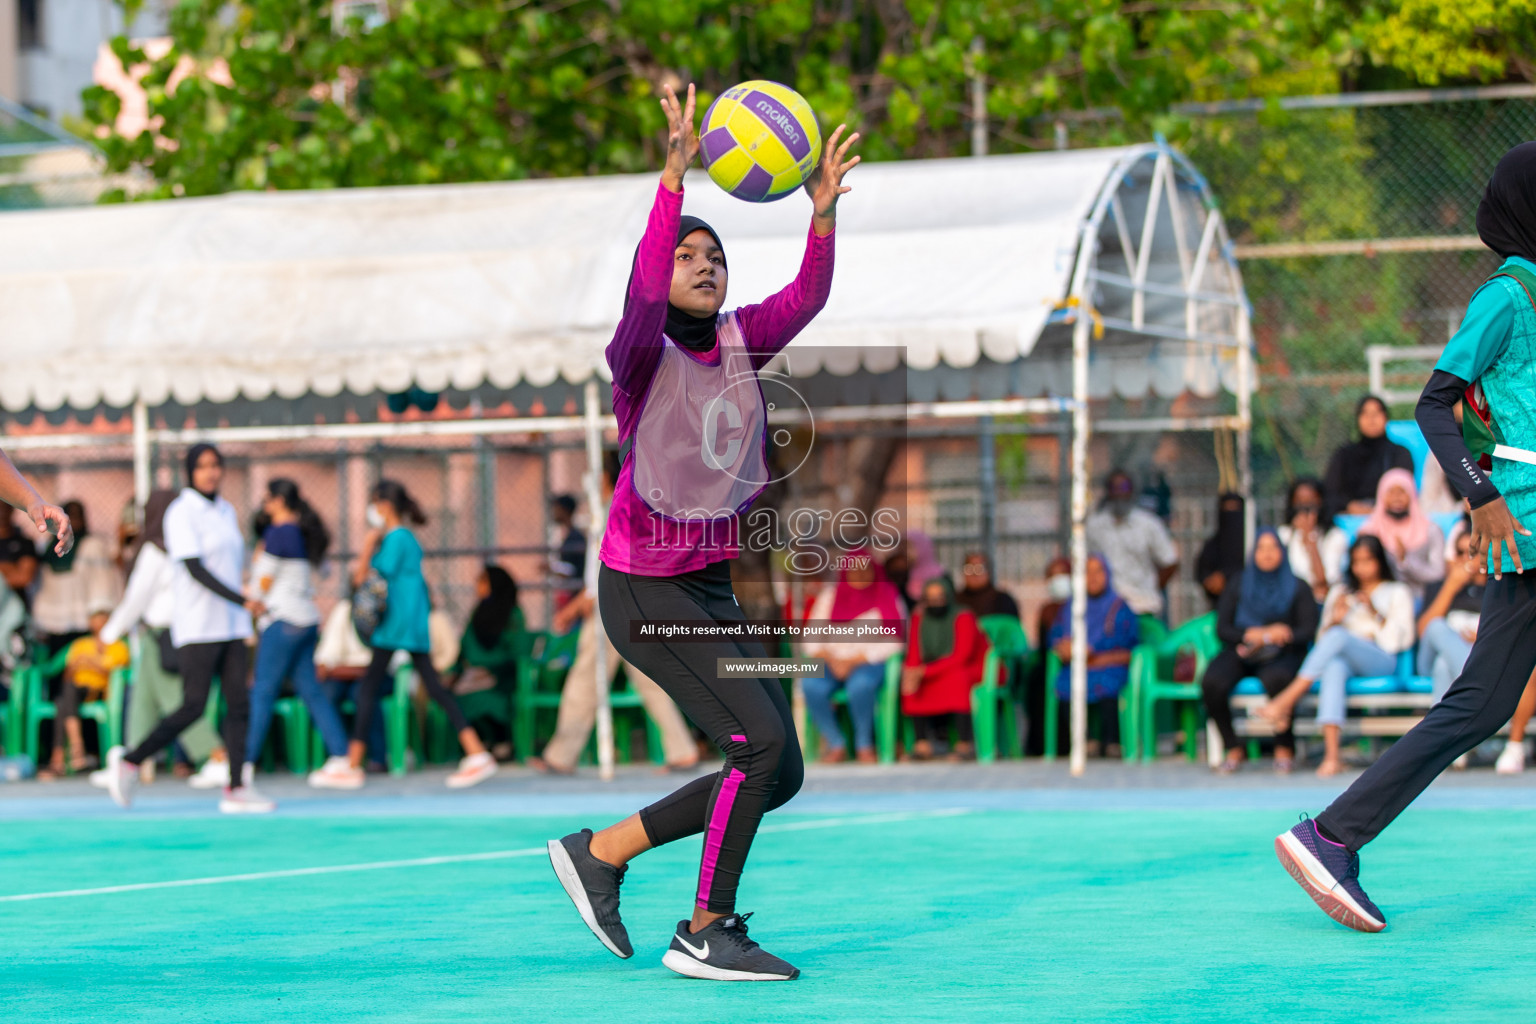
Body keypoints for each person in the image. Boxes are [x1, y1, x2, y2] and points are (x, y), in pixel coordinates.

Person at [545, 83, 856, 983]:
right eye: (688, 253)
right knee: (754, 748)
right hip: (643, 587)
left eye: (714, 253)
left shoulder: (738, 339)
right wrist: (673, 181)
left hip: (707, 585)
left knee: (780, 766)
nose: (703, 261)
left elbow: (807, 296)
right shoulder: (641, 354)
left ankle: (601, 853)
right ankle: (705, 929)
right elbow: (646, 287)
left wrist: (823, 216)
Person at [1274, 145, 1536, 932]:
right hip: (1526, 520)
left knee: (1482, 704)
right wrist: (1481, 493)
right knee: (1479, 704)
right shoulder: (1508, 296)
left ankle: (1333, 835)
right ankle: (1332, 834)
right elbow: (1434, 405)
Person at [103, 444, 271, 814]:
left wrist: (245, 603)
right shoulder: (181, 513)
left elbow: (229, 567)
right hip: (198, 626)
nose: (211, 473)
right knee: (194, 706)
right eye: (203, 466)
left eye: (216, 466)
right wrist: (242, 599)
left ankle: (237, 788)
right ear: (190, 472)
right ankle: (131, 759)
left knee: (239, 705)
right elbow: (194, 568)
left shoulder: (225, 510)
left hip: (231, 624)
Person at [331, 479, 498, 790]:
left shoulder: (396, 539)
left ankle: (353, 763)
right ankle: (476, 752)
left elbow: (362, 577)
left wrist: (368, 545)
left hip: (397, 626)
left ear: (383, 505)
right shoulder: (405, 539)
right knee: (433, 688)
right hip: (409, 625)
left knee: (369, 689)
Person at [95, 489, 225, 787]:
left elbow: (136, 599)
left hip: (165, 634)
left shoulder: (155, 552)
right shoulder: (188, 546)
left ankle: (218, 757)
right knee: (143, 700)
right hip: (174, 634)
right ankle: (132, 762)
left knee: (176, 701)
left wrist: (109, 633)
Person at [1259, 535, 1413, 779]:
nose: (1362, 567)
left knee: (1340, 639)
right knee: (1334, 665)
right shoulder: (1341, 592)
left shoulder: (1397, 592)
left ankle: (1287, 699)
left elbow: (1399, 642)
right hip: (1344, 656)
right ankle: (1332, 756)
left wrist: (1374, 612)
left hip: (1380, 659)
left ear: (1380, 561)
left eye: (1368, 560)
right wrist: (1334, 619)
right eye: (1357, 561)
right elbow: (1323, 643)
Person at [237, 479, 356, 788]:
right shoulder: (302, 533)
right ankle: (342, 758)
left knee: (262, 690)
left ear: (278, 500)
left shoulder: (279, 533)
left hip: (283, 621)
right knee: (311, 691)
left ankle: (244, 764)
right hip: (305, 621)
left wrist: (250, 589)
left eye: (267, 499)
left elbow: (261, 583)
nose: (264, 505)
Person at [1200, 529, 1319, 774]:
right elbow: (1222, 629)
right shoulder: (1239, 584)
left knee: (1279, 679)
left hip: (1282, 653)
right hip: (1243, 650)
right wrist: (1249, 635)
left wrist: (1283, 633)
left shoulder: (1297, 586)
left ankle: (1284, 748)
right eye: (1261, 548)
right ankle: (1233, 747)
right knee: (1212, 681)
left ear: (1282, 552)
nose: (1266, 554)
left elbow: (1308, 630)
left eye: (1272, 547)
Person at [800, 548, 906, 763]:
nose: (859, 575)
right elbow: (811, 635)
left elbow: (896, 639)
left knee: (860, 687)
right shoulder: (830, 596)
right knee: (811, 685)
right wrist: (830, 658)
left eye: (864, 570)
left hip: (868, 661)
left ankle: (864, 744)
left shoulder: (886, 595)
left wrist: (856, 659)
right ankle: (835, 743)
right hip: (830, 660)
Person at [1047, 554, 1140, 757]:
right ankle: (1084, 741)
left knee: (1108, 682)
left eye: (1098, 571)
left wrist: (1092, 654)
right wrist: (1063, 646)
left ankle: (1112, 741)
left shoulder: (1119, 606)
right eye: (1087, 572)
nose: (1093, 577)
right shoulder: (1072, 606)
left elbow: (1129, 645)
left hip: (1109, 664)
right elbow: (1056, 636)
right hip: (1077, 665)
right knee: (1065, 683)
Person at [901, 575, 989, 760]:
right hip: (936, 668)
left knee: (957, 678)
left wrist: (925, 672)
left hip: (974, 667)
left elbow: (962, 657)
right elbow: (914, 653)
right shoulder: (919, 616)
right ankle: (922, 744)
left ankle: (965, 744)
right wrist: (913, 672)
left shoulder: (963, 615)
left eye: (940, 597)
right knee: (911, 679)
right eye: (931, 599)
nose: (936, 602)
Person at [39, 604, 128, 778]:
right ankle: (75, 749)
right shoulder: (80, 644)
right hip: (76, 690)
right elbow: (66, 673)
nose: (100, 625)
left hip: (100, 691)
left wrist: (90, 663)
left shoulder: (118, 645)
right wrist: (79, 665)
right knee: (65, 695)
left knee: (63, 700)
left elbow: (115, 671)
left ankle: (59, 758)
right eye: (96, 622)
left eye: (103, 621)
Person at [1086, 469, 1178, 620]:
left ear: (1132, 492)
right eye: (1114, 489)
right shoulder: (1095, 526)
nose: (1119, 494)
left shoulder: (1148, 524)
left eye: (1124, 489)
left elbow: (1170, 561)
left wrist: (1152, 586)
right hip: (1106, 610)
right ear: (1107, 492)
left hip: (1142, 606)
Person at [31, 499, 119, 656]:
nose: (72, 521)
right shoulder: (48, 547)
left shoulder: (93, 545)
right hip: (50, 627)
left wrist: (100, 620)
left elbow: (101, 585)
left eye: (77, 516)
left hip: (82, 624)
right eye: (68, 516)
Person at [1416, 519, 1485, 703]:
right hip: (1429, 660)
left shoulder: (1498, 591)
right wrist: (1450, 587)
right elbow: (1424, 632)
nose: (1465, 558)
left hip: (1475, 656)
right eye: (1460, 552)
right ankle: (1473, 684)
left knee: (1443, 665)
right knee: (1436, 626)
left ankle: (1440, 729)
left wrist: (1480, 638)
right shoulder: (1438, 587)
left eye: (1473, 552)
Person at [1321, 395, 1415, 520]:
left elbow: (1404, 489)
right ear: (1358, 419)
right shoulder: (1344, 455)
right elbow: (1331, 491)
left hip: (1390, 518)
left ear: (1386, 417)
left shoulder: (1400, 453)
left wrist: (1379, 508)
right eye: (1366, 414)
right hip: (1349, 518)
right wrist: (1350, 506)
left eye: (1376, 413)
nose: (1371, 419)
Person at [1357, 467, 1445, 600]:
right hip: (1377, 599)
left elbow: (1438, 574)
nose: (1396, 498)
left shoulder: (1430, 530)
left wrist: (1406, 561)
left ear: (1412, 494)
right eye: (1390, 492)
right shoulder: (1368, 532)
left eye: (1402, 492)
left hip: (1420, 597)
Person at [1275, 478, 1336, 603]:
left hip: (1323, 601)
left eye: (1310, 501)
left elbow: (1323, 580)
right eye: (1299, 502)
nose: (1305, 507)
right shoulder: (1284, 535)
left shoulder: (1334, 536)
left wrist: (1309, 539)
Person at [1195, 492, 1246, 604]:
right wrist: (1211, 581)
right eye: (1227, 510)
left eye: (1235, 509)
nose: (1231, 516)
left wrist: (1226, 578)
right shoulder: (1212, 545)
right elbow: (1202, 572)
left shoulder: (1250, 543)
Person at [956, 551, 1020, 620]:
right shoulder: (956, 601)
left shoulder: (1002, 601)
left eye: (979, 569)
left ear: (988, 572)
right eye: (969, 569)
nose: (974, 574)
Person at [0, 510, 38, 602]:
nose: (2, 512)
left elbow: (23, 578)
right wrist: (10, 568)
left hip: (15, 607)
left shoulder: (24, 542)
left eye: (4, 507)